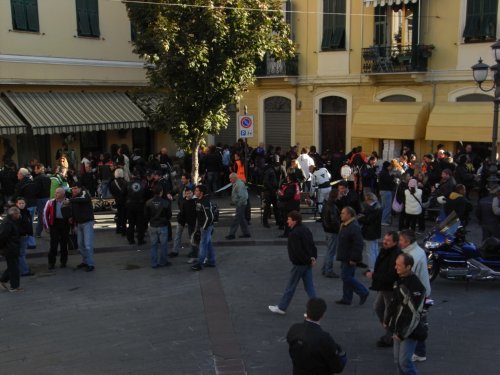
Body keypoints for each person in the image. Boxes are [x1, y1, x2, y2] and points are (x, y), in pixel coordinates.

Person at [385, 253, 426, 375]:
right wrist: (388, 321)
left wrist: (402, 334)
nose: (396, 267)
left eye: (399, 265)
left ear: (408, 267)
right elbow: (394, 303)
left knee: (404, 362)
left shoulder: (416, 286)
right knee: (398, 361)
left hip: (408, 331)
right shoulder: (400, 280)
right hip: (398, 328)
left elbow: (413, 314)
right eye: (396, 264)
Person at [269, 211, 317, 315]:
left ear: (294, 221)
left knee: (291, 286)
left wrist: (308, 260)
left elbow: (298, 251)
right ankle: (315, 308)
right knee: (309, 287)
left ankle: (282, 307)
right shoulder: (305, 229)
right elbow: (312, 245)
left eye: (289, 219)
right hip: (307, 263)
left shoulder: (294, 234)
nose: (287, 221)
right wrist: (312, 258)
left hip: (299, 264)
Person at [286, 298, 346, 375]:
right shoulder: (324, 338)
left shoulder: (294, 329)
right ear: (322, 315)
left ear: (307, 310)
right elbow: (337, 368)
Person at [399, 229, 431, 363]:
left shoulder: (413, 257)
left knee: (418, 322)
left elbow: (409, 277)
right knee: (419, 320)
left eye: (401, 240)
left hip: (418, 295)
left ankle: (419, 352)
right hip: (423, 292)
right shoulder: (416, 251)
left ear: (407, 241)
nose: (399, 242)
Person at [365, 231, 401, 348]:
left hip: (390, 288)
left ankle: (390, 336)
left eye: (388, 240)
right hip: (383, 286)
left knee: (389, 313)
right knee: (378, 307)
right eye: (385, 239)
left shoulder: (395, 254)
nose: (385, 242)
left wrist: (373, 275)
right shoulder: (385, 251)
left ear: (395, 242)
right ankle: (389, 332)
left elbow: (391, 275)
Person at [335, 206, 369, 306]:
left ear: (349, 215)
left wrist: (354, 258)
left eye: (343, 213)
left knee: (346, 277)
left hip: (349, 257)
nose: (341, 215)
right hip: (345, 256)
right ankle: (347, 298)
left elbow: (358, 244)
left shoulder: (353, 227)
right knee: (348, 277)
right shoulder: (346, 225)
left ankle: (363, 292)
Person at [144, 185, 172, 268]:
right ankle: (163, 262)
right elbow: (169, 215)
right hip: (163, 225)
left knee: (153, 245)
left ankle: (154, 263)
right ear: (161, 192)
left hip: (153, 225)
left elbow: (146, 215)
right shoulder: (165, 202)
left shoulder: (148, 202)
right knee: (163, 245)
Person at [44, 187, 71, 270]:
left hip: (65, 224)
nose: (55, 194)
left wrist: (73, 226)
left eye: (58, 193)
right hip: (54, 224)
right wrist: (47, 226)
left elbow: (72, 214)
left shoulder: (68, 201)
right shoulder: (50, 202)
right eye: (55, 192)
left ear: (63, 194)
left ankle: (63, 262)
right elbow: (45, 214)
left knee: (64, 244)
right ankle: (51, 263)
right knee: (53, 245)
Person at [70, 183, 95, 272]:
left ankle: (90, 264)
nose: (74, 190)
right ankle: (85, 261)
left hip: (87, 222)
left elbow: (85, 199)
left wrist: (71, 200)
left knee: (88, 244)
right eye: (72, 188)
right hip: (79, 223)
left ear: (80, 188)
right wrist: (74, 224)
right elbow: (73, 211)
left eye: (76, 188)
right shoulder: (73, 198)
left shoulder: (84, 193)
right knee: (80, 245)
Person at [191, 185, 216, 271]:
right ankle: (211, 261)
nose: (195, 192)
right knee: (208, 244)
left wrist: (204, 227)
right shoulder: (198, 200)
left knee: (203, 245)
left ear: (201, 193)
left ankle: (199, 263)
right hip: (204, 226)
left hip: (206, 227)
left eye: (196, 191)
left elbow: (210, 217)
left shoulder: (205, 202)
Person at [357, 192, 382, 273]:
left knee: (370, 252)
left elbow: (368, 220)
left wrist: (360, 218)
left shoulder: (373, 209)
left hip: (370, 232)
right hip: (375, 231)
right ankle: (376, 267)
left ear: (369, 200)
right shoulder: (377, 206)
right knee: (375, 250)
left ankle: (372, 269)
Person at [171, 186, 198, 260]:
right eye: (187, 193)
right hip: (182, 220)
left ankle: (194, 251)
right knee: (178, 235)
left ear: (192, 193)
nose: (188, 195)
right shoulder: (183, 200)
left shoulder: (195, 201)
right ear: (184, 194)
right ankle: (175, 251)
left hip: (191, 222)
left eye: (190, 193)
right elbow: (181, 210)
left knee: (192, 237)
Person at [0, 207, 22, 292]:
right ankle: (14, 286)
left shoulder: (12, 221)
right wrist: (2, 248)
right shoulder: (7, 223)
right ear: (13, 214)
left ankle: (3, 280)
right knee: (14, 268)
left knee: (13, 266)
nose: (19, 215)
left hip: (13, 247)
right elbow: (2, 237)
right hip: (10, 248)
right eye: (18, 213)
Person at [321, 189, 341, 279]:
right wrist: (340, 227)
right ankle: (328, 270)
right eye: (339, 194)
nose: (340, 195)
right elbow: (334, 221)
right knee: (331, 252)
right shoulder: (332, 206)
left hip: (328, 230)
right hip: (332, 231)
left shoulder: (327, 205)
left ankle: (325, 269)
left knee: (329, 251)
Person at [225, 173, 251, 239]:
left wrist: (238, 204)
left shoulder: (239, 184)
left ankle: (231, 234)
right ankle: (246, 233)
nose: (230, 180)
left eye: (230, 178)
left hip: (241, 204)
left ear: (234, 178)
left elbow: (243, 196)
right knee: (242, 219)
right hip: (240, 204)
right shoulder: (237, 183)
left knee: (236, 219)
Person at [14, 197, 34, 277]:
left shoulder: (27, 212)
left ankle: (22, 269)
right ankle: (24, 271)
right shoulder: (16, 214)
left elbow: (29, 224)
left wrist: (30, 233)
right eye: (20, 203)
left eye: (23, 203)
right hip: (20, 236)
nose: (21, 205)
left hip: (25, 235)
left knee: (21, 254)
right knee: (21, 254)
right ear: (17, 204)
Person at [126, 174, 147, 245]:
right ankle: (140, 239)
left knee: (131, 223)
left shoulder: (128, 184)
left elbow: (123, 193)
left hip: (130, 205)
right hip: (140, 205)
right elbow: (146, 194)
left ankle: (131, 239)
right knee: (140, 224)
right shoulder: (143, 184)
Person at [33, 163, 51, 238]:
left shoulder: (37, 178)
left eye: (35, 168)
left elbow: (36, 190)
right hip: (47, 198)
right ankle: (48, 230)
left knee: (41, 216)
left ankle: (38, 232)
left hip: (40, 199)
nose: (34, 170)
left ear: (39, 168)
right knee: (47, 215)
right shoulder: (47, 177)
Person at [109, 168, 128, 235]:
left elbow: (111, 191)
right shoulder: (125, 182)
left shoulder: (112, 183)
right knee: (124, 216)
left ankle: (118, 229)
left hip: (117, 200)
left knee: (119, 214)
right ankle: (123, 230)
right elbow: (127, 192)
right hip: (124, 201)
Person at [379, 161, 396, 226]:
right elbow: (388, 181)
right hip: (386, 191)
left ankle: (384, 220)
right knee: (387, 207)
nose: (390, 167)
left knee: (384, 206)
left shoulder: (383, 172)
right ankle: (384, 221)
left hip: (383, 191)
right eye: (389, 166)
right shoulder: (384, 173)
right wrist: (392, 176)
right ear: (387, 166)